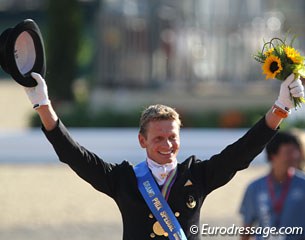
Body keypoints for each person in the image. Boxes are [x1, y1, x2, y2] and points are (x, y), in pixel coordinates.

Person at [23, 72, 303, 240]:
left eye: (172, 137)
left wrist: (280, 107)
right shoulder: (123, 179)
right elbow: (75, 156)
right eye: (158, 138)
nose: (167, 144)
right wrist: (43, 105)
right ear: (142, 140)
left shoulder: (197, 175)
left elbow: (241, 152)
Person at [239, 131, 305, 240]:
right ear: (272, 156)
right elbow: (246, 229)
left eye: (296, 151)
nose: (294, 156)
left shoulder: (303, 185)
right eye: (289, 152)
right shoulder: (255, 188)